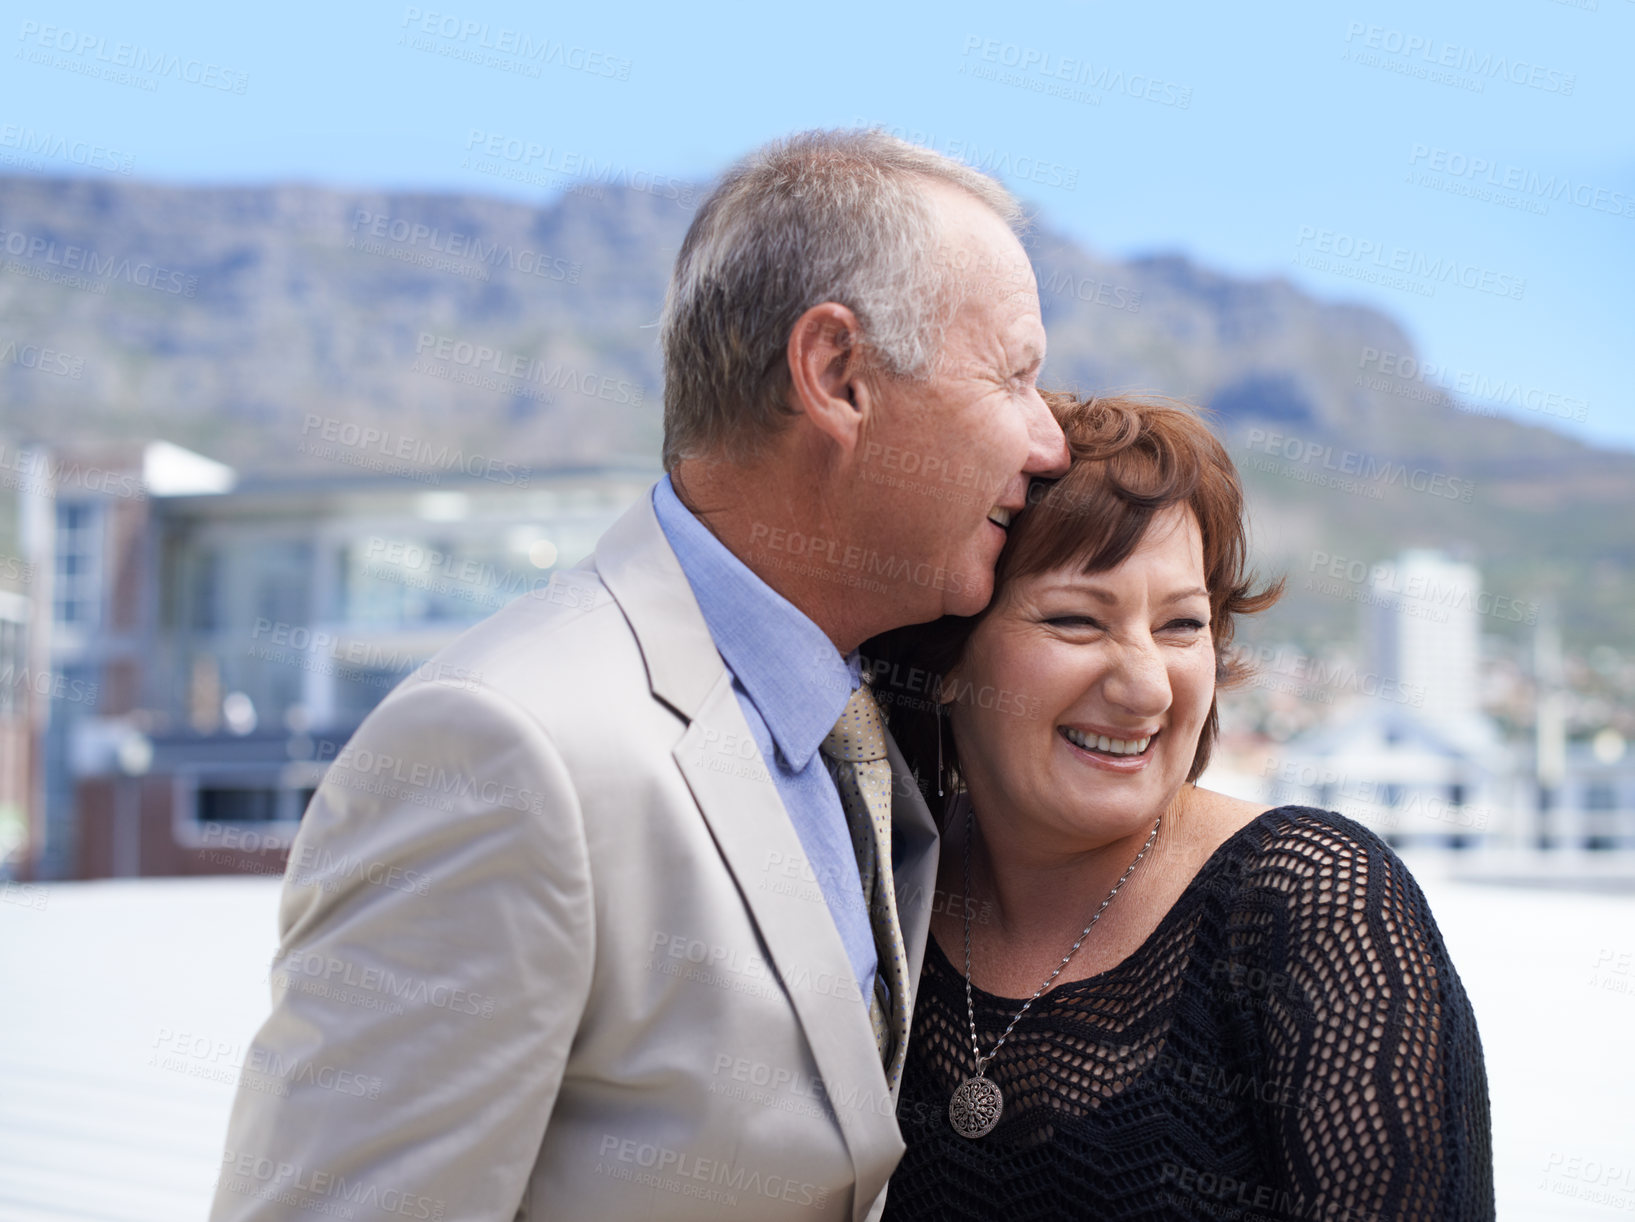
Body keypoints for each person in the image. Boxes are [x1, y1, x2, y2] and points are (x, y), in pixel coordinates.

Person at [207, 129, 1068, 1222]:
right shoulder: (505, 748)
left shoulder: (875, 721)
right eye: (1016, 377)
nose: (1049, 444)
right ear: (839, 374)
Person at [866, 392, 1494, 1221]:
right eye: (1075, 621)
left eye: (1181, 625)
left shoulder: (1316, 908)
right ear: (945, 654)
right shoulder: (875, 881)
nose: (1145, 686)